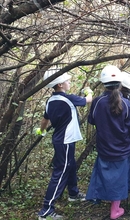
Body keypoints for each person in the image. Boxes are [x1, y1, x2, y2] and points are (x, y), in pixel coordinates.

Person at [36, 69, 93, 220]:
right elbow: (88, 100)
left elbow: (44, 119)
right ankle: (46, 210)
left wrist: (41, 131)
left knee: (71, 164)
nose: (69, 82)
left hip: (60, 140)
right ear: (60, 84)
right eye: (67, 81)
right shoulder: (69, 99)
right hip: (66, 141)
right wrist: (88, 91)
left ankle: (73, 193)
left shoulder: (50, 101)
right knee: (60, 171)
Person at [85, 65, 130, 220]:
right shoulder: (126, 104)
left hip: (104, 147)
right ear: (120, 83)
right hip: (122, 149)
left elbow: (92, 121)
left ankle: (99, 197)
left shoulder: (97, 102)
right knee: (119, 179)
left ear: (103, 83)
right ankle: (115, 209)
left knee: (103, 174)